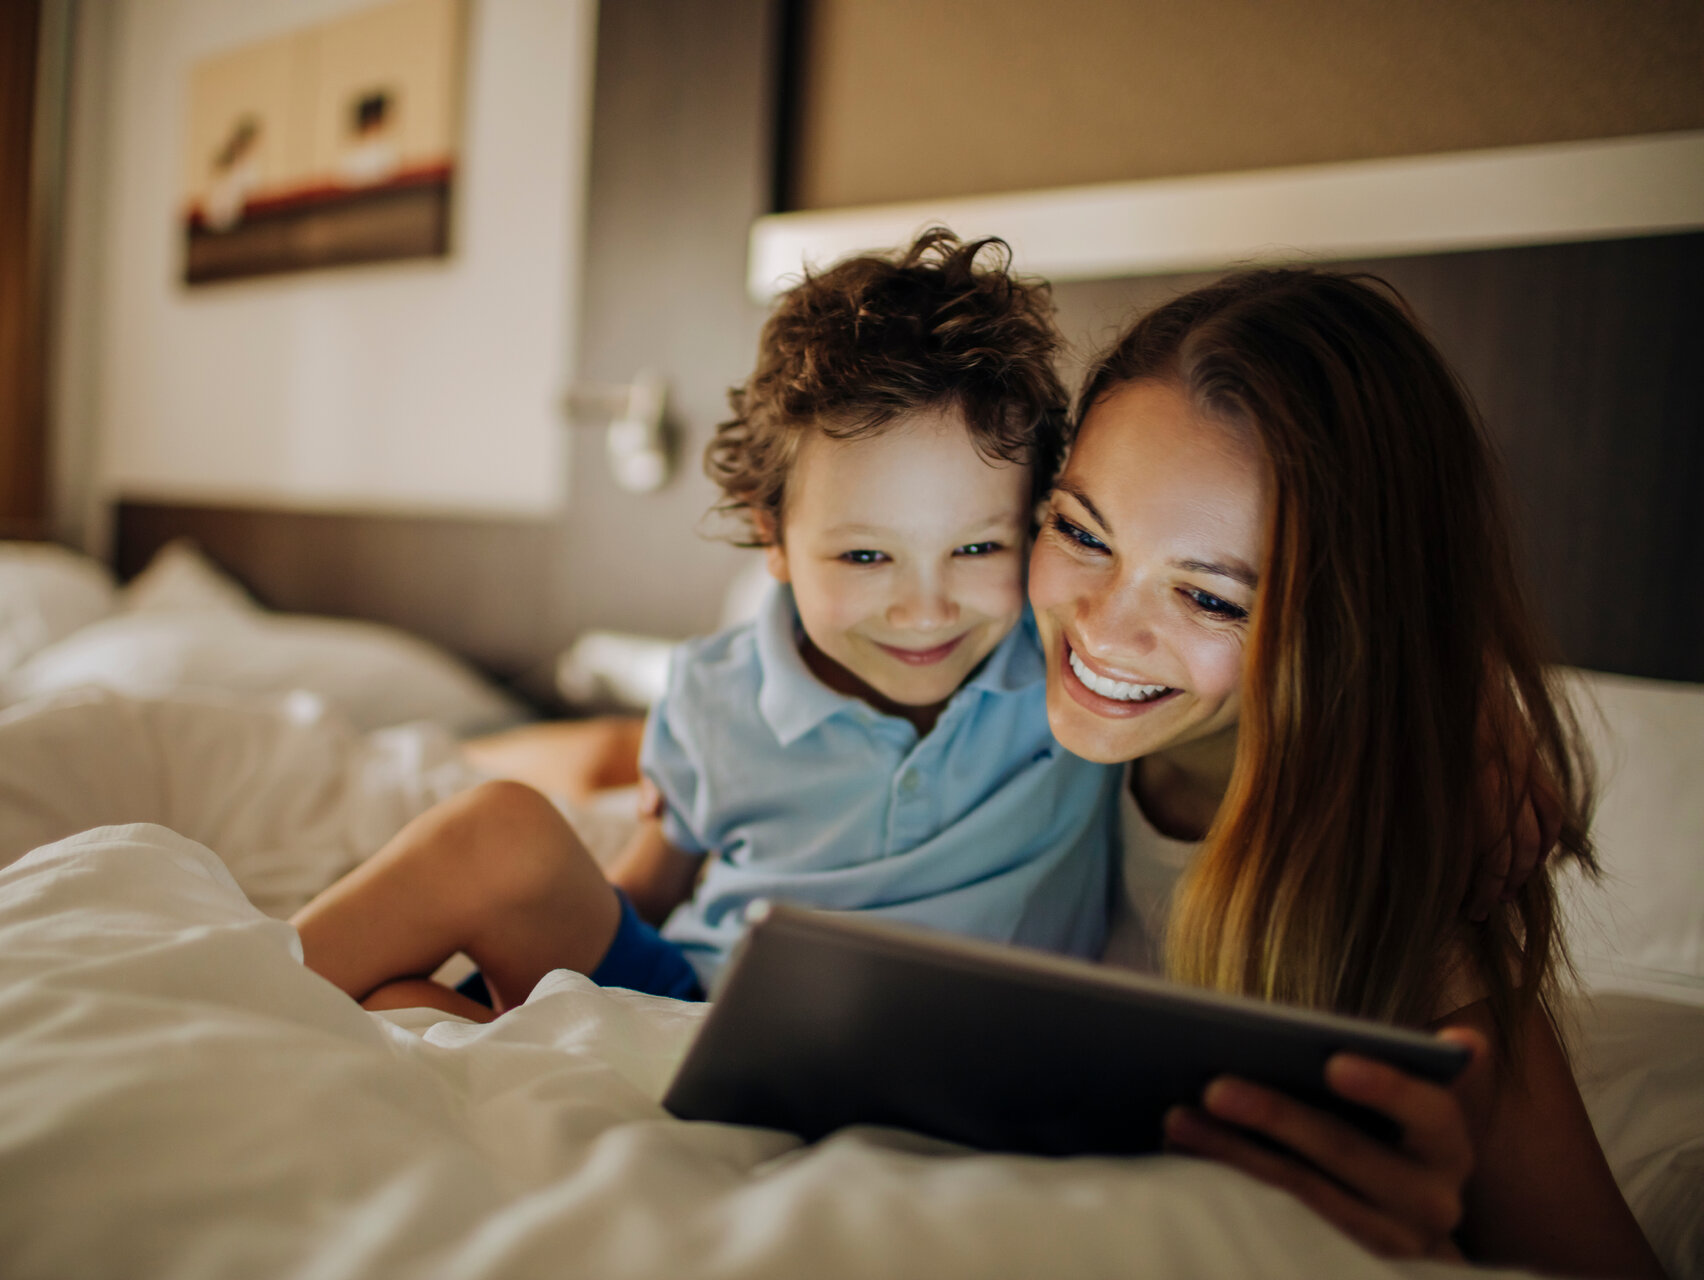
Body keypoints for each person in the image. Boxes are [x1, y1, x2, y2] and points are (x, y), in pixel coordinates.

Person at [291, 231, 1120, 1019]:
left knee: (404, 1016)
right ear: (774, 536)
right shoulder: (717, 695)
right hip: (700, 1017)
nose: (924, 609)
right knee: (492, 843)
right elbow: (649, 893)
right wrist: (514, 974)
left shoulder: (1083, 672)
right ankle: (230, 984)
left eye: (976, 547)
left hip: (931, 1059)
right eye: (865, 558)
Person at [1026, 268, 1664, 1276]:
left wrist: (1429, 1240)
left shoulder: (1398, 891)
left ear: (1344, 630)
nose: (1101, 625)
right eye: (1079, 530)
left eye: (1211, 598)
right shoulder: (979, 673)